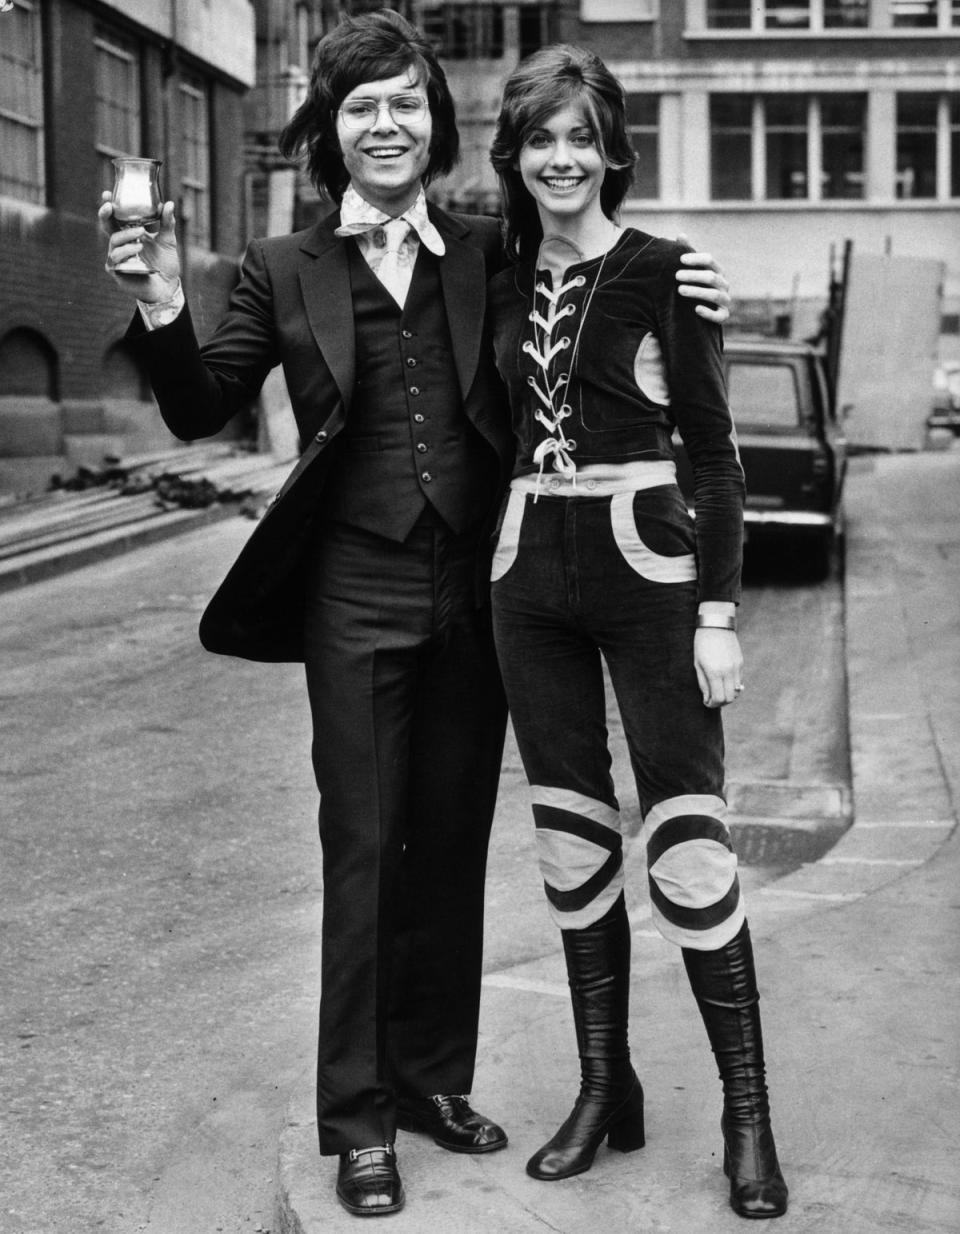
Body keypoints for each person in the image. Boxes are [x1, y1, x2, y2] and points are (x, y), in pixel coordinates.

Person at [99, 9, 731, 1219]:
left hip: (479, 588)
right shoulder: (282, 268)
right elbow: (199, 408)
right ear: (329, 135)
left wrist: (684, 275)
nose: (385, 126)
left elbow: (593, 266)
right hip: (354, 590)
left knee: (448, 847)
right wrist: (161, 301)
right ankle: (356, 1118)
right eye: (360, 108)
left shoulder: (489, 245)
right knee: (363, 848)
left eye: (404, 104)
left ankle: (434, 1079)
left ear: (435, 123)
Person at [486, 45, 788, 1220]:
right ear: (514, 156)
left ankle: (747, 1112)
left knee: (689, 839)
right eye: (541, 140)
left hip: (646, 560)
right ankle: (605, 1085)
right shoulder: (499, 274)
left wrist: (718, 608)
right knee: (567, 833)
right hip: (526, 567)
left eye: (582, 138)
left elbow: (715, 455)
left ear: (613, 148)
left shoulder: (668, 270)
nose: (563, 159)